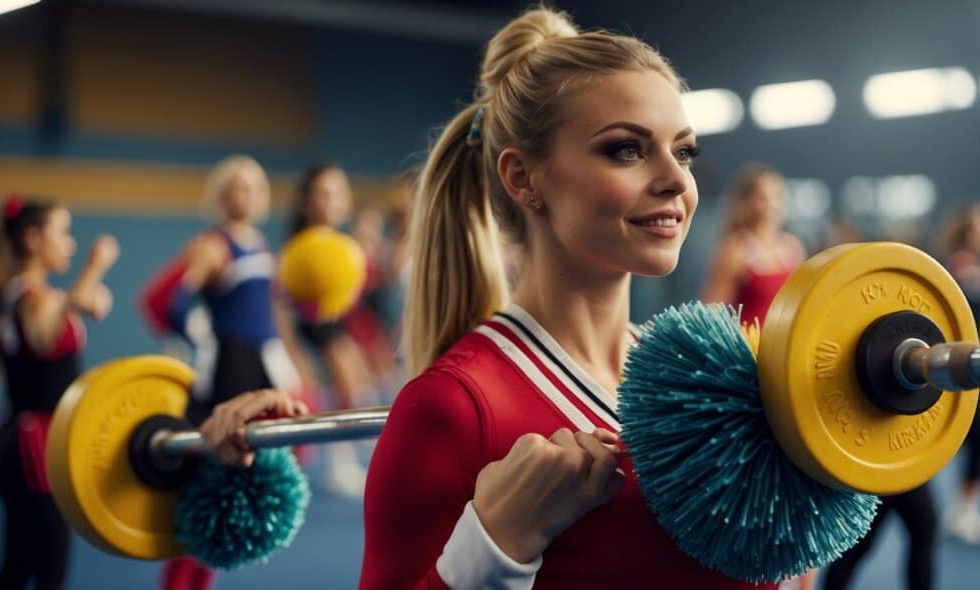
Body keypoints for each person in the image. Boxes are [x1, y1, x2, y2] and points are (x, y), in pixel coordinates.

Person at [202, 7, 778, 589]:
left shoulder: (704, 385)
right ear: (523, 177)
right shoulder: (451, 408)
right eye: (626, 150)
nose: (678, 181)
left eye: (684, 152)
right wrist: (498, 544)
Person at [153, 155, 312, 590]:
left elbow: (271, 311)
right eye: (237, 186)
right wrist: (203, 340)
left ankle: (201, 581)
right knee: (208, 485)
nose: (247, 194)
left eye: (254, 186)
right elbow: (173, 304)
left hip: (262, 366)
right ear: (221, 196)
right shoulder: (214, 245)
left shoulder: (260, 243)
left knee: (238, 488)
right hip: (228, 370)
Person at [0, 194, 118, 590]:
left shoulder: (35, 296)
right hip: (32, 448)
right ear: (35, 240)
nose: (71, 243)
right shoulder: (28, 299)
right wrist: (95, 266)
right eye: (64, 233)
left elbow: (91, 303)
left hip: (23, 442)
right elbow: (48, 332)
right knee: (49, 576)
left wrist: (87, 292)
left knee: (18, 568)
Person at [283, 163, 377, 497]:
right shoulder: (301, 248)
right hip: (310, 327)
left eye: (338, 193)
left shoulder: (343, 244)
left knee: (356, 389)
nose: (332, 202)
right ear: (306, 202)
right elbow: (283, 302)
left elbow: (351, 295)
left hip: (336, 326)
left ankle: (348, 457)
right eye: (324, 194)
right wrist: (292, 351)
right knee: (339, 389)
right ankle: (338, 462)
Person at [701, 164, 805, 327]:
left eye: (777, 196)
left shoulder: (792, 247)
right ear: (748, 202)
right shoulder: (736, 249)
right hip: (749, 347)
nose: (771, 204)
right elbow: (711, 309)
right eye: (763, 197)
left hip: (785, 347)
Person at [938, 203, 980, 544]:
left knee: (978, 442)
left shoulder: (978, 271)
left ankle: (964, 509)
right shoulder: (952, 271)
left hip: (974, 367)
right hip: (955, 367)